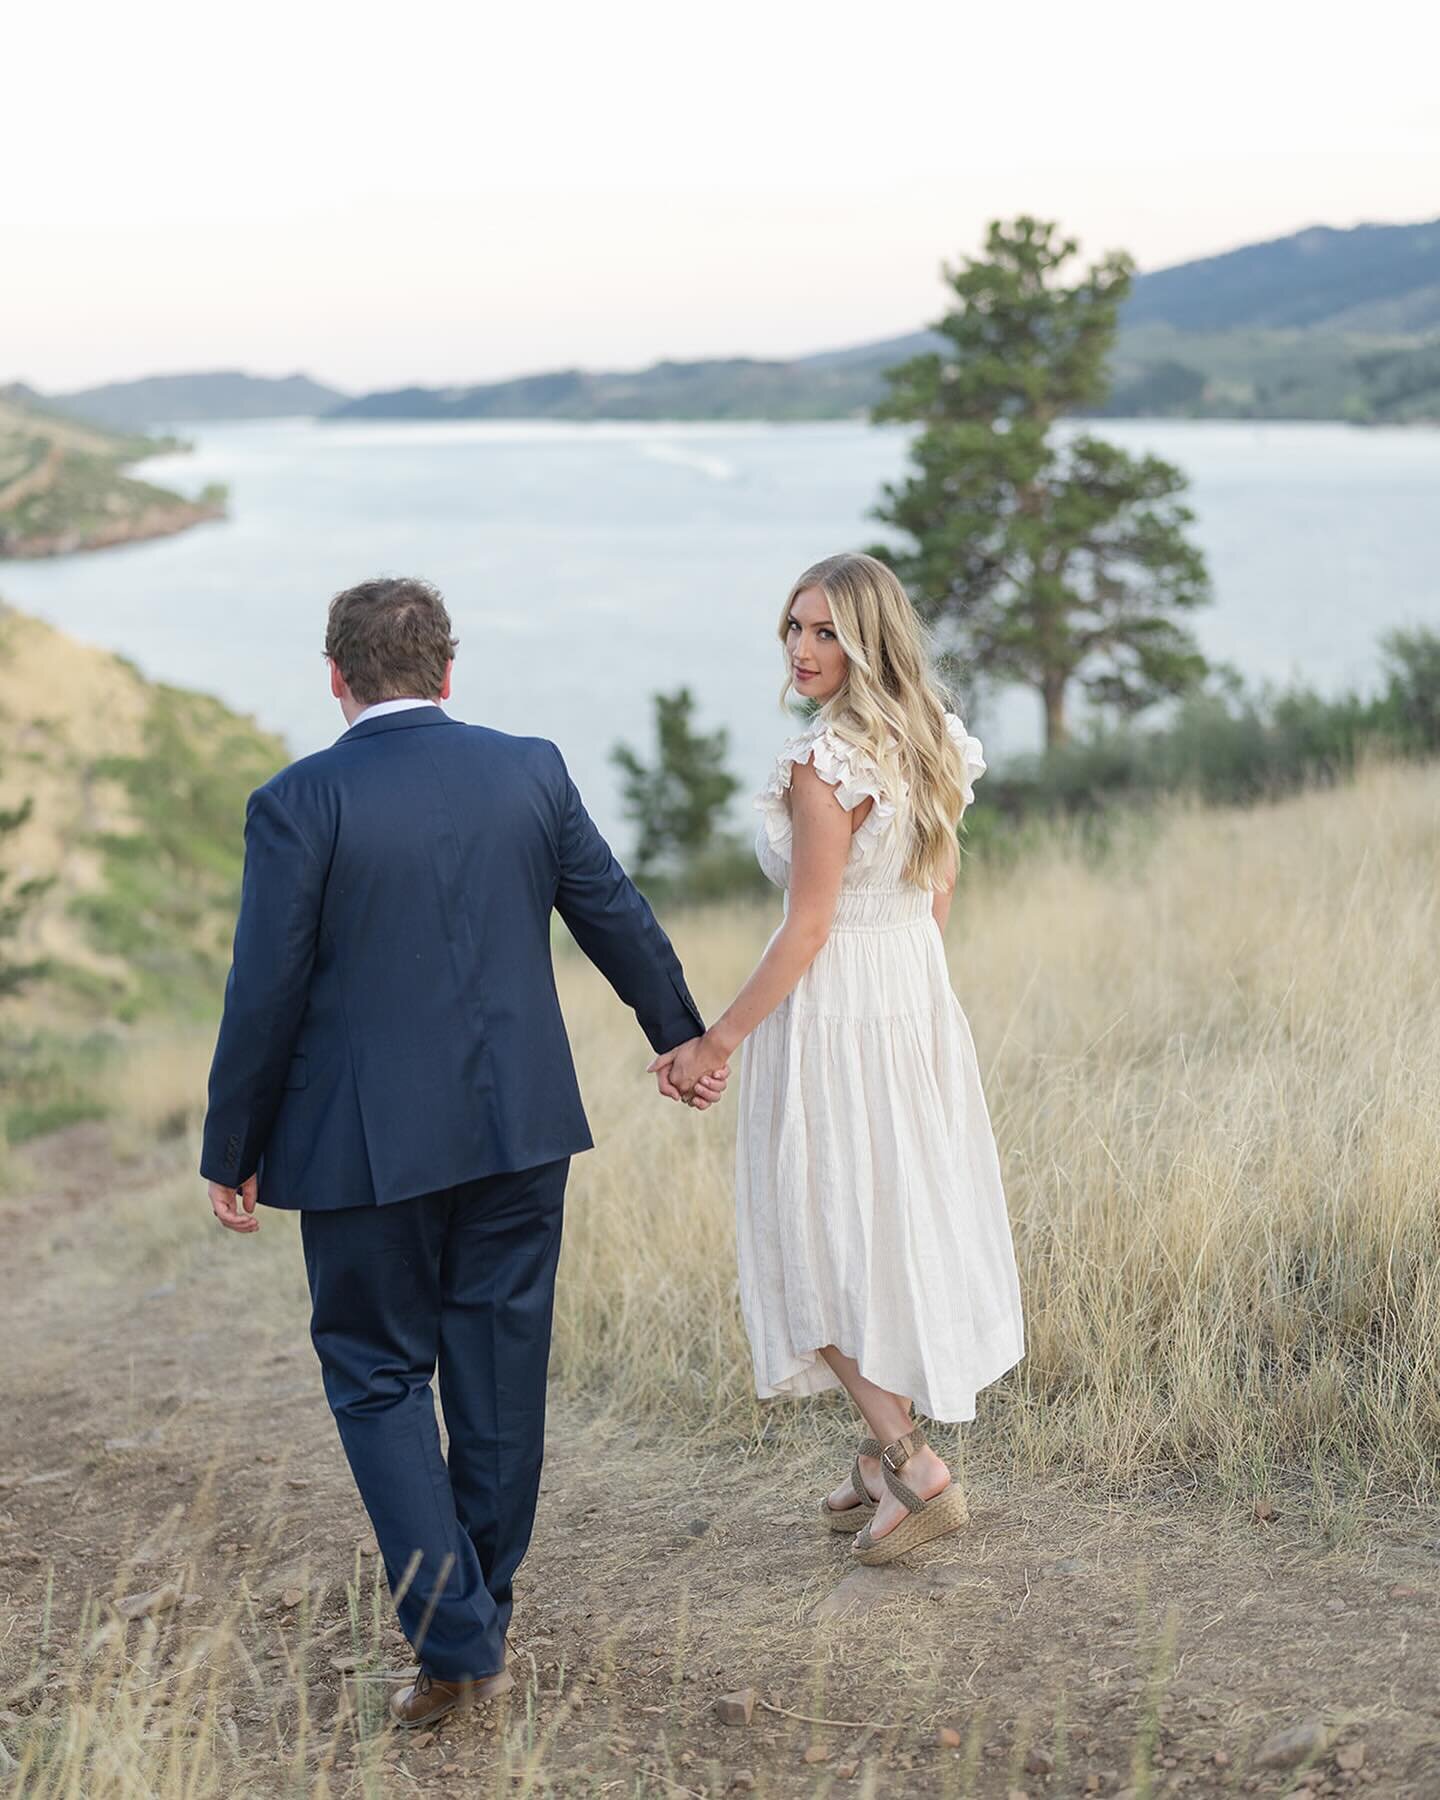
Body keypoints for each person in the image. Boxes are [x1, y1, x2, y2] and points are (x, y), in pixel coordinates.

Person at [200, 576, 726, 1727]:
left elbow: (264, 991)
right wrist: (680, 1033)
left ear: (335, 678)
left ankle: (458, 1645)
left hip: (360, 1155)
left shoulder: (296, 801)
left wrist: (231, 1144)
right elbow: (614, 910)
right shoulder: (528, 768)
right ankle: (473, 1617)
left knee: (378, 1377)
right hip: (517, 1130)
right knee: (497, 1372)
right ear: (448, 672)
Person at [654, 552, 1023, 1564]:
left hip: (837, 1012)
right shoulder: (934, 740)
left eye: (825, 633)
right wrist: (913, 989)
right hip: (912, 995)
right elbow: (939, 888)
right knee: (881, 1228)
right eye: (794, 628)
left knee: (811, 1237)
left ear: (868, 641)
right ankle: (875, 1460)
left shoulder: (826, 766)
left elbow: (807, 927)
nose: (803, 650)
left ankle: (913, 1465)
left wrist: (715, 1040)